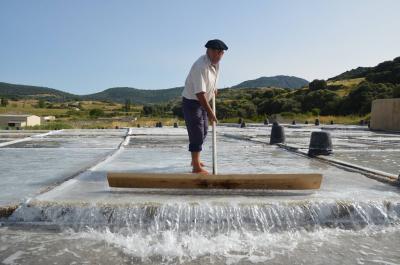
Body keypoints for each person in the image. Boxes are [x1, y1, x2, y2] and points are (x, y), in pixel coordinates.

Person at [181, 39, 228, 174]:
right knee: (196, 133)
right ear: (210, 51)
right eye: (218, 53)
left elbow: (212, 80)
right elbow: (200, 93)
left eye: (222, 53)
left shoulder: (216, 64)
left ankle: (195, 160)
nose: (220, 56)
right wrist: (211, 112)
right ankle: (196, 167)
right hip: (192, 102)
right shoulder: (200, 66)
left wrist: (214, 88)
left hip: (203, 102)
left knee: (204, 131)